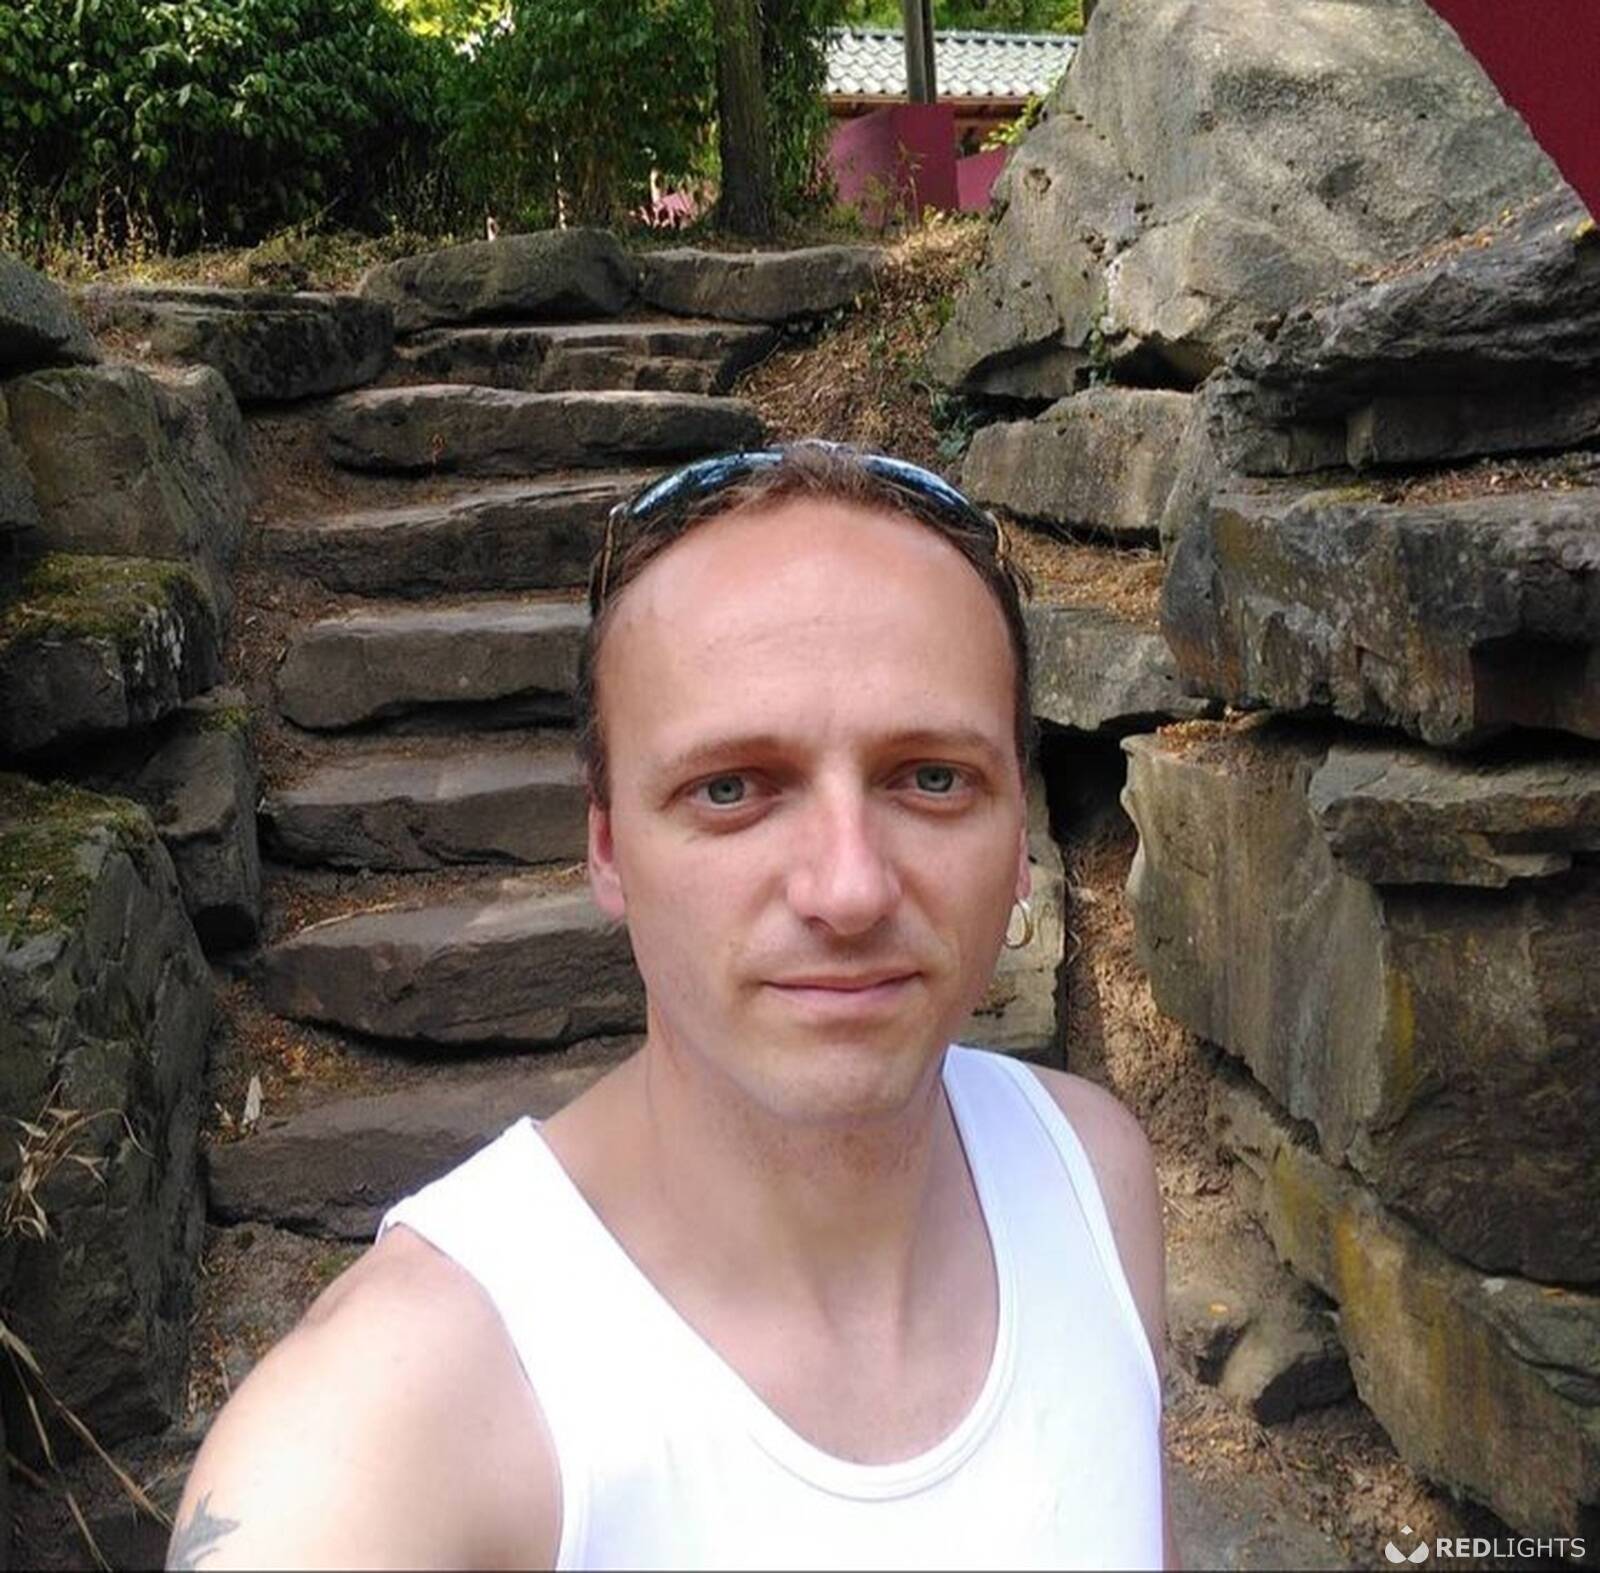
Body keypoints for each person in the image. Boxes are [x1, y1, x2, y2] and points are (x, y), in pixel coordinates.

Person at [168, 442, 1179, 1571]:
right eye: (730, 788)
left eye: (932, 777)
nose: (848, 888)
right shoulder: (372, 1441)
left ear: (1020, 839)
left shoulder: (1093, 1178)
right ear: (606, 847)